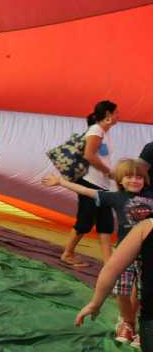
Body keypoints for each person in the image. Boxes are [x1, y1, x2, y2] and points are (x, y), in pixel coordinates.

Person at [44, 159, 153, 346]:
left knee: (142, 292)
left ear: (145, 180)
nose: (135, 180)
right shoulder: (116, 197)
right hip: (123, 254)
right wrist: (62, 182)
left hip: (146, 254)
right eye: (129, 177)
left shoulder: (151, 196)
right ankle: (127, 322)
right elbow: (89, 192)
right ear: (120, 180)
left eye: (139, 177)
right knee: (122, 291)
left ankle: (143, 326)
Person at [76, 218, 153, 350]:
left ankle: (129, 323)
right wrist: (95, 303)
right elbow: (112, 269)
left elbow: (112, 269)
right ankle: (128, 322)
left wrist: (95, 303)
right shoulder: (145, 228)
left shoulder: (145, 227)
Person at [61, 100, 120, 268]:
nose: (118, 116)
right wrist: (108, 172)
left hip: (102, 185)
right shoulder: (96, 130)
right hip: (90, 182)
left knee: (106, 223)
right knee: (85, 221)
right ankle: (68, 253)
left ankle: (109, 262)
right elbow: (89, 155)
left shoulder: (104, 131)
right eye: (116, 113)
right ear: (108, 114)